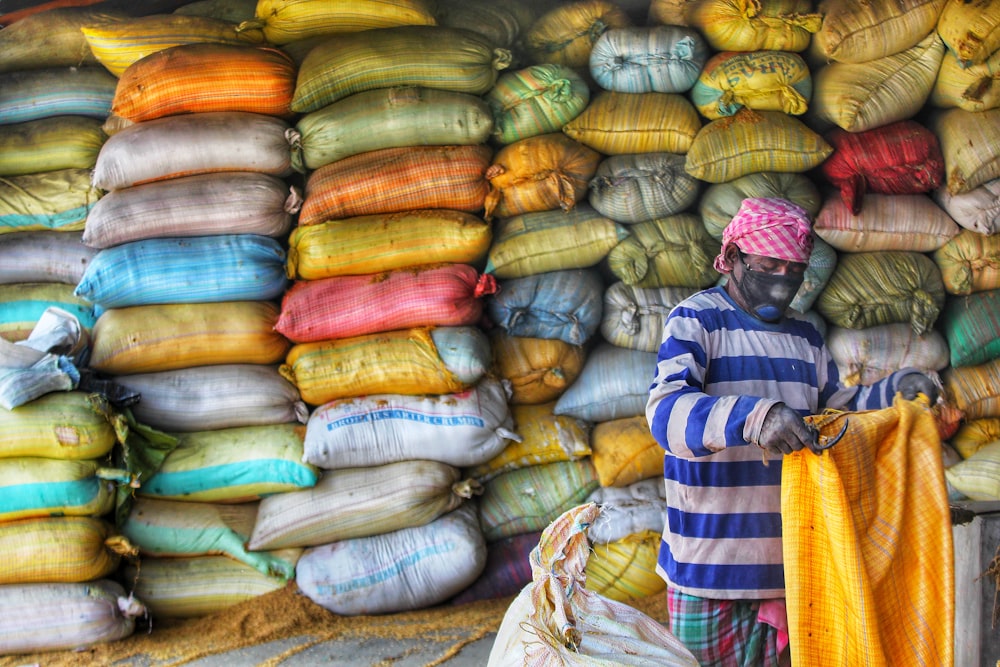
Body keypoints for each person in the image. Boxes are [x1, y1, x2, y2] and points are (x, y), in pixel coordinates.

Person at [645, 197, 939, 666]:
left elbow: (837, 417)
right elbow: (667, 415)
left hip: (794, 569)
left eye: (793, 270)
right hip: (709, 569)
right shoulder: (697, 320)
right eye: (768, 266)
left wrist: (895, 392)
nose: (782, 282)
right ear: (735, 257)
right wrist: (757, 418)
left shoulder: (806, 337)